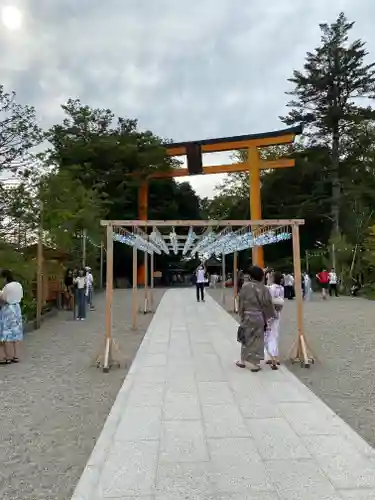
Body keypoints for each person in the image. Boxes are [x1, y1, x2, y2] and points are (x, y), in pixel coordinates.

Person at [236, 266, 275, 372]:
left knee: (245, 337)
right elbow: (268, 304)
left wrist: (241, 314)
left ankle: (242, 361)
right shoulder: (264, 288)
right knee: (257, 339)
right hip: (259, 316)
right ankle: (255, 363)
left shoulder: (245, 287)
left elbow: (241, 302)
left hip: (247, 315)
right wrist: (270, 316)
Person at [0, 269, 23, 364]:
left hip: (8, 309)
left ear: (5, 277)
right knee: (16, 332)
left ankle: (7, 356)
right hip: (17, 309)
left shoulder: (7, 287)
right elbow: (21, 296)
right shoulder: (18, 285)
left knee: (7, 332)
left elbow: (4, 299)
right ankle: (16, 355)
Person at [264, 271, 284, 369]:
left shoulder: (270, 288)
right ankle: (275, 356)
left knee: (269, 335)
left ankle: (273, 359)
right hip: (278, 313)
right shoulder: (281, 288)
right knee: (275, 335)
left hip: (270, 314)